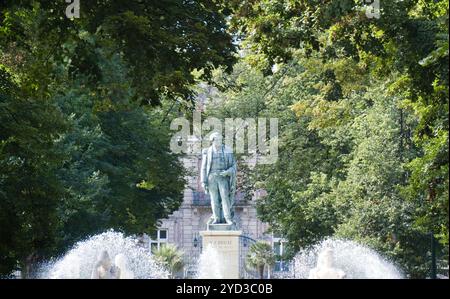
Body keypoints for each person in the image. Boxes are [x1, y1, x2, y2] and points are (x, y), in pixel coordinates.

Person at [200, 132, 237, 225]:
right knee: (214, 199)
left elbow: (234, 166)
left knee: (225, 198)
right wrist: (203, 181)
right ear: (212, 141)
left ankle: (227, 218)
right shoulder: (207, 151)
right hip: (211, 177)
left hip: (223, 176)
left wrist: (228, 172)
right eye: (217, 140)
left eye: (221, 139)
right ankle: (216, 218)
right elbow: (203, 167)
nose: (220, 141)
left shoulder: (227, 151)